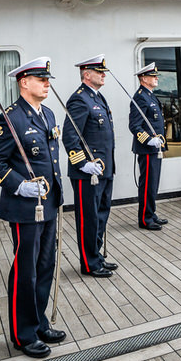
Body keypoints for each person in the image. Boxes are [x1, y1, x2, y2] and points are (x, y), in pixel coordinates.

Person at [0, 57, 65, 358]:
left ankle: (40, 321)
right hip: (26, 207)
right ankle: (23, 333)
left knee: (45, 266)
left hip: (49, 203)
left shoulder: (49, 115)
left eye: (48, 79)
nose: (47, 83)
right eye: (40, 79)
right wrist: (20, 185)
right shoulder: (11, 118)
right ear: (24, 83)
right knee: (26, 270)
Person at [62, 54, 117, 277]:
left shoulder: (97, 98)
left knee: (101, 214)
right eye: (99, 71)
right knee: (89, 218)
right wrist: (83, 164)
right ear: (87, 74)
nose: (103, 75)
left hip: (104, 169)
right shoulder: (79, 100)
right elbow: (70, 136)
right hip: (88, 173)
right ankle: (89, 263)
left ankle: (96, 255)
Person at [129, 62, 168, 229]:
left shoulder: (150, 95)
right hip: (147, 148)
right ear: (143, 78)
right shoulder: (140, 97)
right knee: (147, 184)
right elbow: (134, 126)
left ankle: (151, 213)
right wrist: (148, 140)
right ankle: (145, 219)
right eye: (153, 76)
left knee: (153, 183)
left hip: (155, 147)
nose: (156, 78)